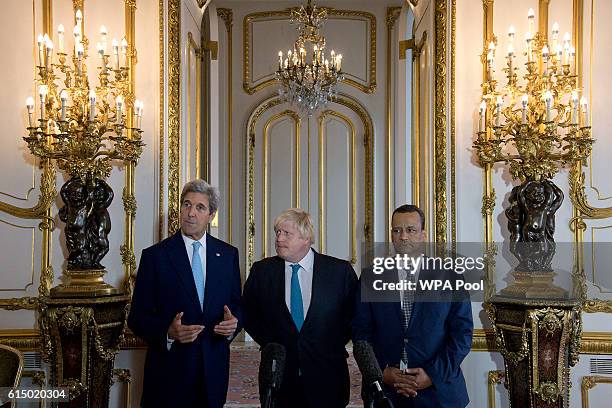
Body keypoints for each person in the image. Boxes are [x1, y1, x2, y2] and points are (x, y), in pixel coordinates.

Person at [128, 180, 242, 408]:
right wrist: (168, 332)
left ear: (211, 215)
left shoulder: (228, 255)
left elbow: (236, 306)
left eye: (200, 207)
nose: (191, 213)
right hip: (169, 373)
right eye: (186, 205)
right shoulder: (155, 256)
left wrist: (234, 325)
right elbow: (137, 318)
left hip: (213, 371)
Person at [353, 204, 473, 408]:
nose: (403, 237)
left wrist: (431, 375)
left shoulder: (450, 275)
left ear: (423, 235)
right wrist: (382, 371)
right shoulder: (371, 277)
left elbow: (462, 334)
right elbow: (361, 332)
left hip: (439, 394)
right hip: (386, 393)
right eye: (397, 230)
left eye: (411, 230)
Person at [242, 208, 358, 408]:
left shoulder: (339, 272)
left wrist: (327, 344)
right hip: (279, 376)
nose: (279, 238)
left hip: (327, 373)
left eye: (287, 233)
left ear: (306, 238)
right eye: (277, 232)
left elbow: (353, 317)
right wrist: (272, 342)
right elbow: (249, 314)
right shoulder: (262, 271)